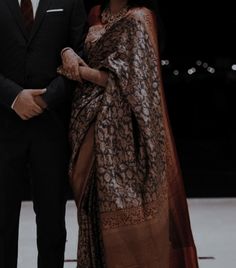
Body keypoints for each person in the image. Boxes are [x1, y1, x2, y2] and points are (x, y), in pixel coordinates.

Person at [60, 0, 199, 267]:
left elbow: (138, 80)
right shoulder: (94, 14)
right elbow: (78, 48)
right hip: (88, 123)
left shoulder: (141, 18)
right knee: (92, 206)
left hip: (128, 133)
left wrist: (83, 73)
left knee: (130, 209)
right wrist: (68, 53)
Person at [0, 0, 86, 267]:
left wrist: (48, 98)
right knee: (1, 219)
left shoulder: (69, 2)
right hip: (3, 125)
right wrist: (13, 97)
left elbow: (83, 54)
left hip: (51, 125)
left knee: (51, 221)